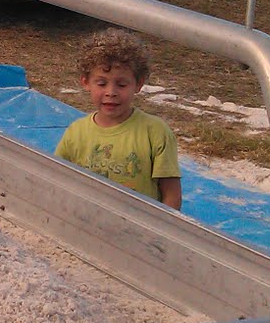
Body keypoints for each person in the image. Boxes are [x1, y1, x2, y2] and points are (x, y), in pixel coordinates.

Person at [54, 28, 182, 209]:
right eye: (101, 83)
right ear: (85, 82)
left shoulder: (155, 133)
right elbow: (58, 180)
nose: (111, 93)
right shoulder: (76, 133)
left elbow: (171, 195)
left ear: (138, 84)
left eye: (121, 84)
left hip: (139, 230)